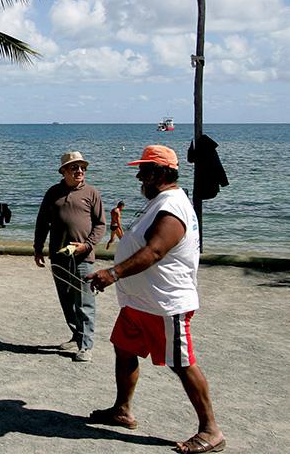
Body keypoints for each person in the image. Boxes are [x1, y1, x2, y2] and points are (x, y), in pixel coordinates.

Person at [86, 145, 224, 454]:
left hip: (166, 305)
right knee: (124, 348)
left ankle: (211, 430)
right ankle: (122, 410)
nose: (139, 176)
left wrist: (113, 273)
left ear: (162, 174)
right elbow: (141, 245)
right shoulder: (160, 202)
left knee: (182, 363)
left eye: (145, 171)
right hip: (139, 303)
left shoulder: (173, 206)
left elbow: (155, 251)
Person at [33, 151, 106, 363]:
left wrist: (88, 245)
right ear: (63, 171)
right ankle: (76, 335)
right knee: (66, 300)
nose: (80, 171)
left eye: (82, 167)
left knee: (85, 301)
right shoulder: (53, 192)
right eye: (74, 167)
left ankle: (86, 346)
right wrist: (38, 248)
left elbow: (101, 224)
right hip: (59, 256)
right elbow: (42, 222)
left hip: (83, 257)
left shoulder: (92, 193)